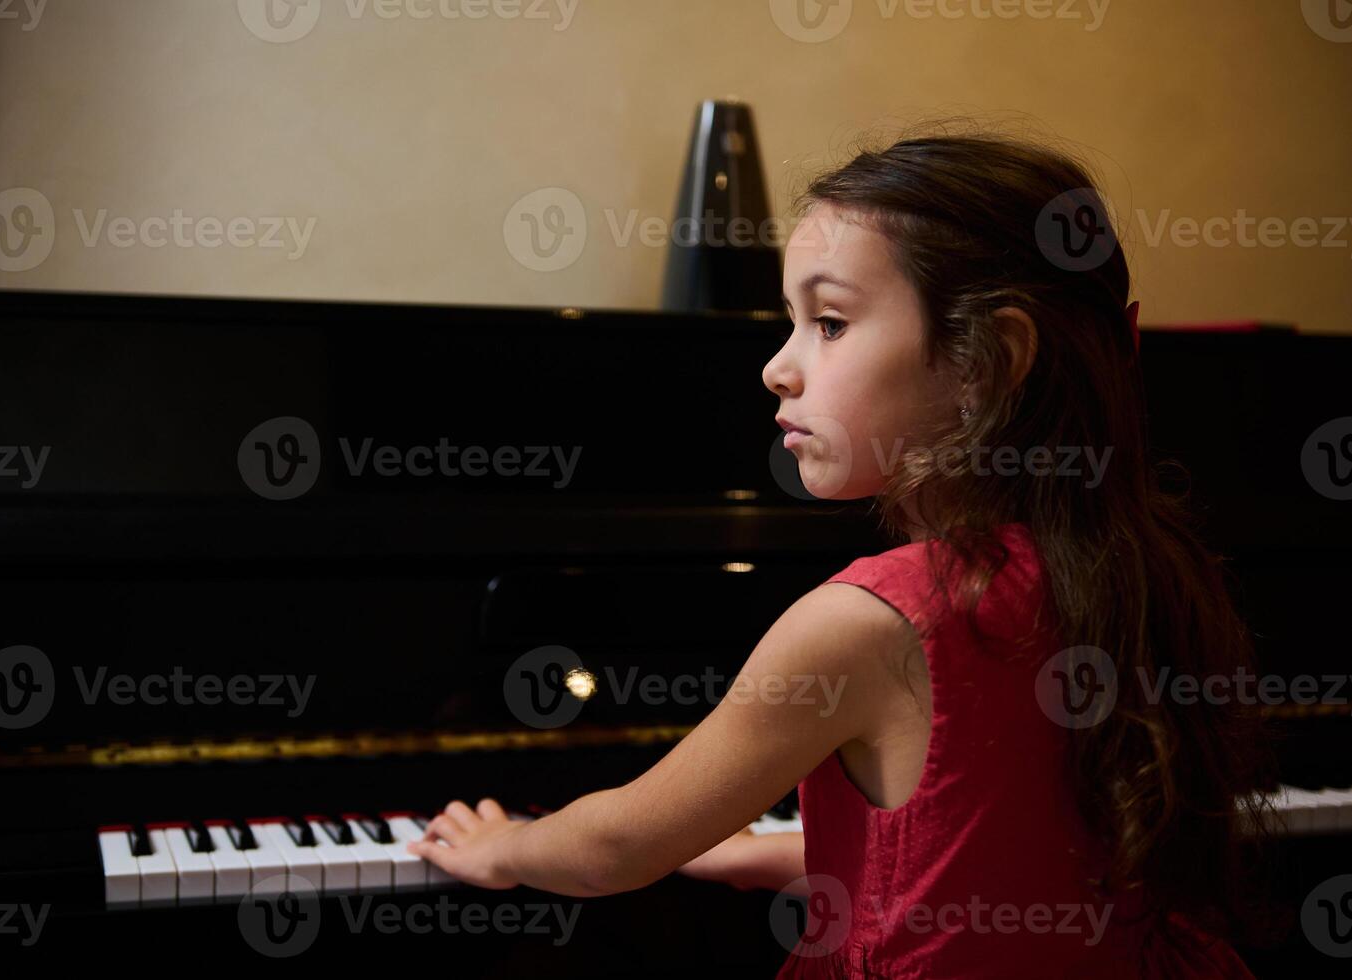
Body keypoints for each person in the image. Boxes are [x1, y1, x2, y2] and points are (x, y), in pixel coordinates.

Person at [407, 132, 1278, 977]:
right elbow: (1005, 865)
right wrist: (771, 854)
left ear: (991, 358)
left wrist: (505, 847)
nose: (776, 370)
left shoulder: (870, 619)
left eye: (827, 322)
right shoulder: (1150, 563)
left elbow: (616, 848)